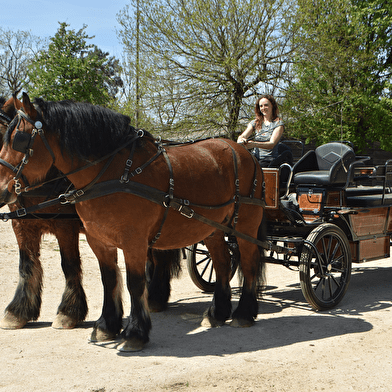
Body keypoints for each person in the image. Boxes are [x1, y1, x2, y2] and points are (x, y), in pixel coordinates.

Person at [237, 95, 285, 167]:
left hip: (269, 161)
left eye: (266, 105)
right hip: (254, 158)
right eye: (261, 106)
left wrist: (254, 144)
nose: (263, 108)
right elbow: (243, 136)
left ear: (272, 106)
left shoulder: (278, 124)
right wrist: (241, 139)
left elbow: (272, 144)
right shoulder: (255, 122)